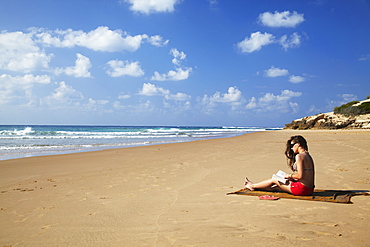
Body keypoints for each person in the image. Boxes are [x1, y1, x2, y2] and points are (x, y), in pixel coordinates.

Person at [244, 135, 315, 196]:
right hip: (309, 189)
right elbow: (306, 175)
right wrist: (293, 179)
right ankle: (255, 186)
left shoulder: (299, 156)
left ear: (298, 144)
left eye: (292, 146)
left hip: (302, 190)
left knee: (275, 180)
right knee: (276, 187)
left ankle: (252, 186)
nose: (291, 148)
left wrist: (289, 175)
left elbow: (300, 176)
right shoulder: (307, 155)